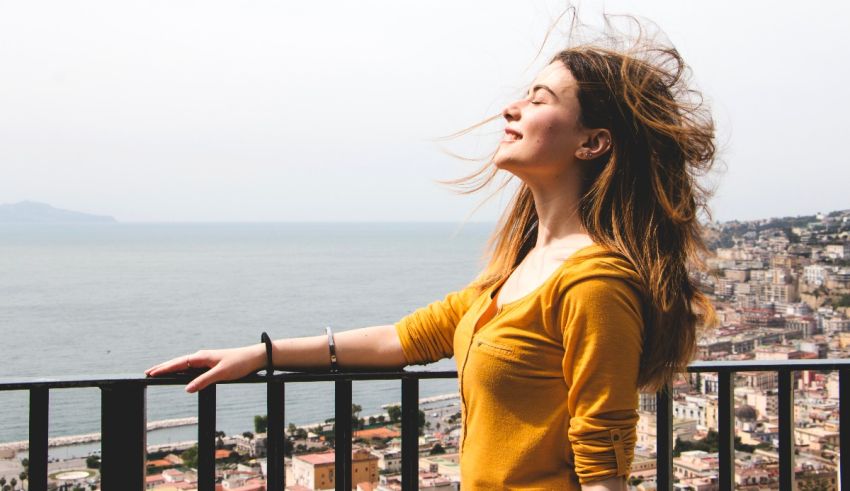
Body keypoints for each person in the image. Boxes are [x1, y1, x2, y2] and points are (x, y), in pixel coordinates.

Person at [146, 18, 716, 490]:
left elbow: (603, 469)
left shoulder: (594, 284)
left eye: (539, 100)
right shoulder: (516, 276)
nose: (510, 109)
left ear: (592, 142)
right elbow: (401, 340)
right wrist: (259, 353)